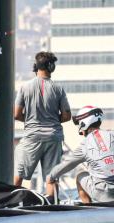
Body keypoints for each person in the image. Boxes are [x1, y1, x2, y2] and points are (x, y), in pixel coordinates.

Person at [45, 90, 114, 204]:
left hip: (102, 194)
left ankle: (88, 210)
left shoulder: (84, 146)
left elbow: (65, 166)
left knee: (80, 175)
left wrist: (51, 176)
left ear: (84, 123)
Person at [13, 51, 71, 187]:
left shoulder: (24, 87)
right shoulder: (58, 89)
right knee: (51, 177)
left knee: (19, 174)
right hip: (53, 137)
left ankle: (11, 203)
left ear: (36, 67)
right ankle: (53, 205)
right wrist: (53, 120)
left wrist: (31, 120)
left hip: (32, 136)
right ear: (51, 67)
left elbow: (16, 114)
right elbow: (67, 116)